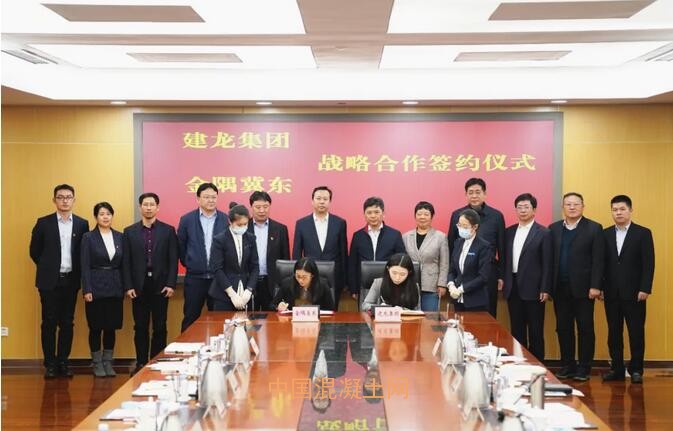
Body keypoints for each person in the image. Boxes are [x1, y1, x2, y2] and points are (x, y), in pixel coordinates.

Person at [29, 184, 89, 378]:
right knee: (49, 322)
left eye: (68, 197)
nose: (64, 200)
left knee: (67, 322)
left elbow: (83, 252)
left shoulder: (82, 224)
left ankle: (63, 361)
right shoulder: (43, 223)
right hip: (49, 282)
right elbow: (34, 251)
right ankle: (50, 364)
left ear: (74, 200)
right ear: (54, 200)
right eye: (60, 197)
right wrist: (49, 267)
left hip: (71, 280)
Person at [549, 192, 604, 381]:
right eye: (568, 204)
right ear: (563, 207)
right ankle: (568, 365)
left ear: (582, 206)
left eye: (576, 204)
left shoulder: (594, 228)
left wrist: (596, 286)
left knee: (585, 328)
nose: (572, 207)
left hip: (585, 289)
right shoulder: (554, 229)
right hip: (560, 288)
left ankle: (584, 367)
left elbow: (598, 260)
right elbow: (550, 260)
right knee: (563, 328)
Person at [122, 192, 178, 375]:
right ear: (140, 207)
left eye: (152, 204)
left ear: (157, 207)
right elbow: (126, 262)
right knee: (140, 326)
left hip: (161, 286)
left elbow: (173, 260)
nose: (148, 208)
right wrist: (128, 286)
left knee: (160, 326)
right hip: (138, 286)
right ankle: (141, 363)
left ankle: (156, 362)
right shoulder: (129, 232)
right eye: (145, 204)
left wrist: (171, 284)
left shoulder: (168, 231)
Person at [602, 195, 655, 384]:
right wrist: (600, 287)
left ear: (630, 210)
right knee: (614, 333)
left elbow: (649, 264)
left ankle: (636, 369)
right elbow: (601, 263)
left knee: (636, 332)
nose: (618, 213)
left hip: (635, 293)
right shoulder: (605, 234)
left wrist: (645, 288)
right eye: (615, 209)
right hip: (611, 293)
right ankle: (616, 368)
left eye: (622, 209)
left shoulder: (643, 233)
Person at [503, 193, 552, 361]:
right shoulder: (509, 232)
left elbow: (547, 263)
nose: (523, 210)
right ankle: (519, 361)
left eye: (526, 207)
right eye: (519, 207)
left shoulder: (544, 232)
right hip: (513, 286)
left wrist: (545, 288)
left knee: (536, 330)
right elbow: (504, 260)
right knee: (517, 330)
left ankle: (537, 364)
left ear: (534, 210)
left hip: (535, 289)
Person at [447, 178, 505, 317]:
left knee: (487, 315)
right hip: (461, 274)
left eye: (478, 192)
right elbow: (451, 245)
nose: (474, 196)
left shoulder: (496, 216)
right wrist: (450, 281)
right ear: (466, 194)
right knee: (460, 317)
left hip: (487, 274)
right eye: (470, 192)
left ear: (485, 194)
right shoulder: (457, 215)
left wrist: (501, 276)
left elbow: (502, 247)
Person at [177, 182, 228, 331]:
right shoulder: (186, 220)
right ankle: (187, 346)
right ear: (198, 199)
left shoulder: (225, 220)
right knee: (190, 318)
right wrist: (190, 262)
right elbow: (181, 246)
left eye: (213, 197)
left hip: (218, 279)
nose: (211, 200)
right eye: (206, 197)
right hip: (195, 278)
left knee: (219, 320)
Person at [80, 202, 124, 377]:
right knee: (96, 327)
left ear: (112, 216)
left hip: (115, 286)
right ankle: (97, 363)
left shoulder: (120, 236)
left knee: (111, 326)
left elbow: (124, 264)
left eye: (108, 214)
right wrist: (87, 289)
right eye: (101, 214)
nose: (105, 217)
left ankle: (107, 362)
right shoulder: (88, 237)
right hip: (95, 287)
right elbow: (84, 265)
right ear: (96, 217)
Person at [293, 186, 348, 308]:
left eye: (325, 199)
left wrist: (345, 280)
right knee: (308, 311)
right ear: (312, 201)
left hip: (333, 278)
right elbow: (297, 252)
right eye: (318, 198)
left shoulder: (339, 223)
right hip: (308, 276)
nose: (322, 202)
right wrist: (297, 277)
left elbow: (343, 252)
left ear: (330, 201)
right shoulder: (302, 223)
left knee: (331, 312)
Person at [349, 197, 405, 305]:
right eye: (369, 212)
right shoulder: (358, 236)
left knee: (386, 314)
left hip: (389, 284)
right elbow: (352, 263)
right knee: (365, 313)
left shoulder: (394, 235)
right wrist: (353, 288)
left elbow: (401, 261)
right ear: (364, 215)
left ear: (383, 214)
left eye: (376, 212)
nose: (373, 215)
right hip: (364, 286)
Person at [208, 202, 259, 311]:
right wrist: (231, 293)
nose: (243, 227)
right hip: (224, 294)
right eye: (239, 225)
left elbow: (255, 266)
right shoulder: (220, 240)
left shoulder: (251, 238)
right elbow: (217, 269)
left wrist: (249, 290)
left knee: (247, 322)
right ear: (230, 222)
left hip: (245, 293)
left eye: (245, 224)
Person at [402, 201, 449, 312]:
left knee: (430, 317)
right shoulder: (406, 236)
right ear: (415, 216)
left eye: (426, 214)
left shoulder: (440, 237)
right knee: (410, 316)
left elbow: (444, 263)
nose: (422, 217)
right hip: (410, 283)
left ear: (432, 216)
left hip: (431, 285)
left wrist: (442, 284)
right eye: (419, 214)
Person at [248, 191, 290, 311]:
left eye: (265, 207)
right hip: (249, 283)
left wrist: (283, 286)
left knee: (273, 318)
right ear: (251, 207)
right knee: (249, 318)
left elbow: (285, 260)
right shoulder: (243, 227)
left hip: (272, 283)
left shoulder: (280, 229)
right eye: (258, 207)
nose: (262, 210)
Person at [447, 209, 493, 312]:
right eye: (459, 225)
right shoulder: (458, 243)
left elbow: (483, 276)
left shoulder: (484, 246)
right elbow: (452, 270)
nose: (461, 228)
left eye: (465, 226)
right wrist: (451, 285)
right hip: (457, 300)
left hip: (475, 301)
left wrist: (462, 289)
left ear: (475, 227)